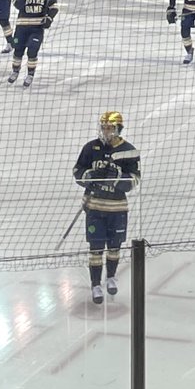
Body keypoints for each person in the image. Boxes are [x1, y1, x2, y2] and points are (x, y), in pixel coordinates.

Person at [73, 112, 141, 304]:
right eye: (104, 127)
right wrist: (92, 176)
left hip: (117, 209)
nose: (106, 131)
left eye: (110, 128)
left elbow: (134, 180)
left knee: (114, 246)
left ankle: (111, 276)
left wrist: (116, 179)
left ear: (118, 129)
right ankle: (95, 284)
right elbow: (77, 171)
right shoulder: (91, 148)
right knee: (95, 248)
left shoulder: (129, 151)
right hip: (95, 208)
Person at [9, 0, 58, 87]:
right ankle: (15, 71)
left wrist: (49, 18)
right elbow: (17, 5)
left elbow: (54, 6)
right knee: (17, 49)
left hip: (37, 29)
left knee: (32, 50)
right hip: (21, 28)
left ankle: (30, 74)